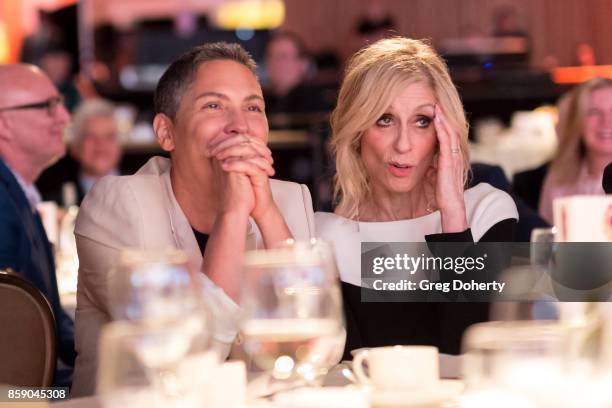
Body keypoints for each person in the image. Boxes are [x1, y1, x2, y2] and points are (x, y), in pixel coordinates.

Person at [71, 42, 316, 396]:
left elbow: (311, 347)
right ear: (166, 132)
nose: (240, 126)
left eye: (253, 107)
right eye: (214, 105)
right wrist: (233, 213)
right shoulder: (120, 205)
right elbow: (190, 361)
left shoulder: (289, 200)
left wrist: (266, 212)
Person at [315, 37, 518, 358]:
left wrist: (453, 216)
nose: (404, 145)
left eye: (422, 121)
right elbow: (341, 367)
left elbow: (472, 354)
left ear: (443, 132)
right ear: (356, 132)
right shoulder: (326, 236)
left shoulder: (486, 212)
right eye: (385, 119)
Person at [0, 64, 75, 385]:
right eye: (48, 107)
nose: (65, 117)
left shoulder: (16, 193)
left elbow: (49, 319)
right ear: (3, 123)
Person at [513, 77, 612, 224]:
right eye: (593, 112)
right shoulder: (551, 181)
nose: (607, 121)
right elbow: (546, 240)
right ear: (577, 121)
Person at [39, 99, 122, 206]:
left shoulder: (141, 184)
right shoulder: (51, 194)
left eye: (109, 137)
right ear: (75, 147)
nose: (100, 145)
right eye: (91, 137)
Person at [263, 32, 332, 117]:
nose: (275, 62)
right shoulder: (264, 102)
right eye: (270, 56)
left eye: (283, 56)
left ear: (303, 64)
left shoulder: (313, 102)